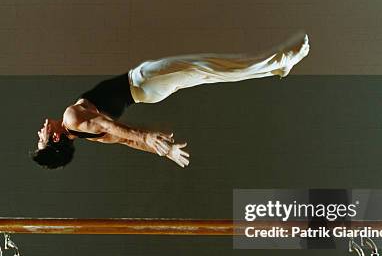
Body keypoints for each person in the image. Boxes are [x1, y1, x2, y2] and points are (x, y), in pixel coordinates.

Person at [32, 32, 310, 169]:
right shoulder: (72, 119)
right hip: (143, 81)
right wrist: (148, 138)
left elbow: (124, 140)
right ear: (56, 139)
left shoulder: (89, 135)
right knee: (212, 67)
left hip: (149, 92)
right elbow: (118, 130)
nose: (40, 132)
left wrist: (162, 151)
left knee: (212, 73)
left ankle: (276, 67)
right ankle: (280, 62)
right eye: (42, 139)